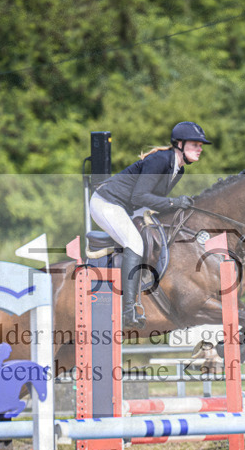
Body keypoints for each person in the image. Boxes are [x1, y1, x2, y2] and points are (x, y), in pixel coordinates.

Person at [89, 121, 211, 329]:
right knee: (134, 243)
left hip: (128, 207)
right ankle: (128, 310)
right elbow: (140, 196)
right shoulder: (160, 160)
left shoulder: (178, 169)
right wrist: (173, 202)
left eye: (200, 145)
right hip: (107, 202)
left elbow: (152, 201)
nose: (200, 149)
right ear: (179, 144)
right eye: (195, 144)